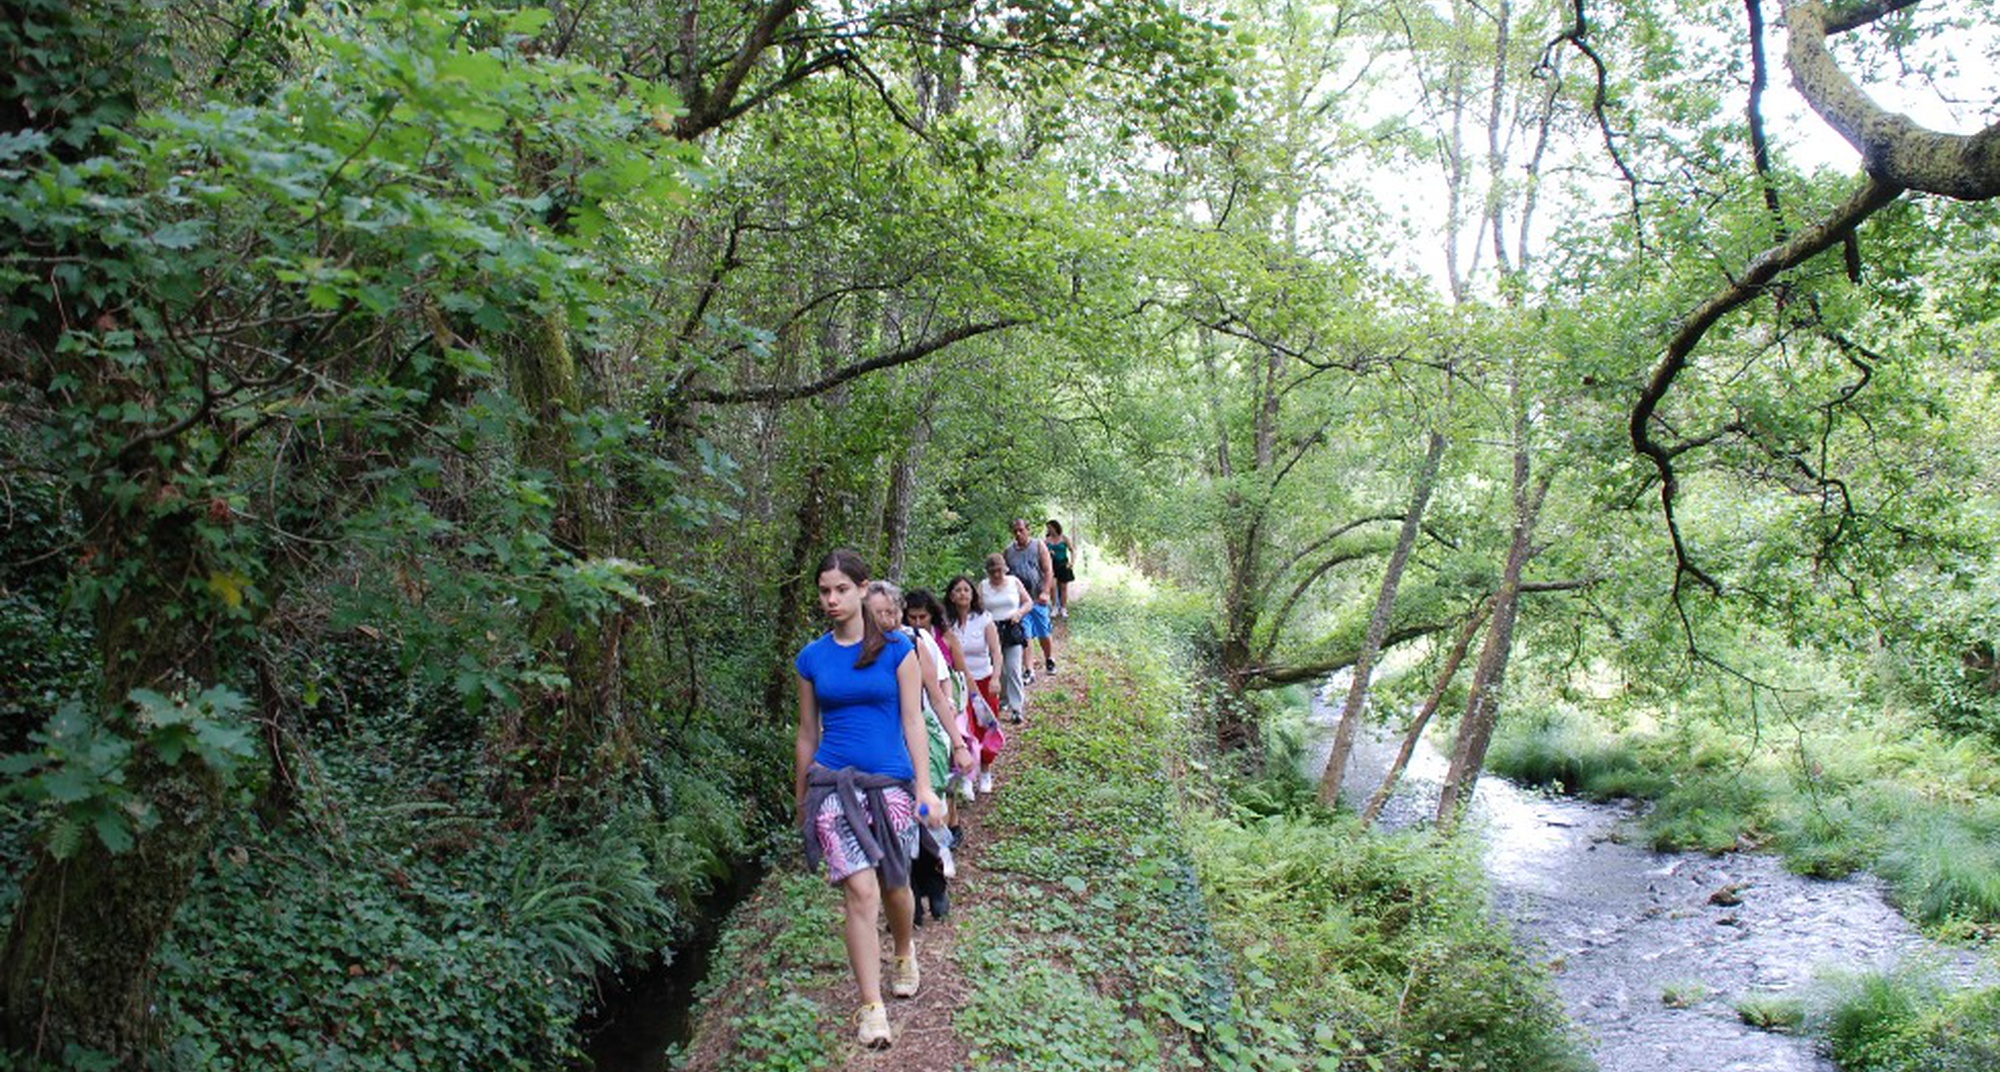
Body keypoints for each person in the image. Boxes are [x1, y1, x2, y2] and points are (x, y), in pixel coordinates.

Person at [794, 550, 945, 1049]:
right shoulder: (812, 657)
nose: (831, 599)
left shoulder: (899, 650)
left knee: (895, 884)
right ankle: (871, 1006)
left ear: (863, 589)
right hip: (834, 788)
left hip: (891, 786)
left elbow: (912, 720)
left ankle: (904, 950)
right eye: (823, 590)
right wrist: (801, 799)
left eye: (840, 589)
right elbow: (806, 733)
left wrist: (924, 786)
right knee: (860, 892)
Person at [865, 581, 973, 925]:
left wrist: (958, 743)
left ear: (900, 613)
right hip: (880, 745)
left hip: (920, 739)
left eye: (890, 612)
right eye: (877, 612)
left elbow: (938, 696)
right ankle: (909, 890)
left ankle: (934, 881)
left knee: (925, 815)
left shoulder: (915, 642)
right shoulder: (857, 647)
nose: (885, 619)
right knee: (895, 826)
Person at [943, 573, 1004, 792]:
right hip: (959, 684)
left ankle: (986, 771)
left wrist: (996, 677)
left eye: (966, 590)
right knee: (964, 728)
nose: (962, 594)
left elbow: (996, 651)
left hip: (985, 679)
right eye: (957, 590)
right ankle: (967, 776)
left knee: (986, 725)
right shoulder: (946, 623)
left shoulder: (984, 618)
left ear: (973, 594)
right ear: (951, 595)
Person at [979, 551, 1034, 723]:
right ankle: (1002, 699)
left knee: (1013, 668)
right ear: (988, 571)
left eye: (1000, 570)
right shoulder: (983, 586)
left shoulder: (1014, 582)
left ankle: (1017, 707)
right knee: (997, 669)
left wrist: (1019, 613)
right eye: (993, 571)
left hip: (1011, 627)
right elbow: (977, 608)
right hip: (991, 629)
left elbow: (1028, 602)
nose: (997, 574)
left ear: (1005, 569)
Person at [1005, 518, 1057, 677]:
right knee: (1025, 634)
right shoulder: (1008, 551)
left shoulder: (1038, 546)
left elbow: (1048, 570)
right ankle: (1029, 669)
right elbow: (1005, 574)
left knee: (1043, 632)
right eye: (1015, 531)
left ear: (1028, 530)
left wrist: (1046, 592)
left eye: (1021, 530)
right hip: (1021, 601)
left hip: (1038, 597)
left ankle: (1050, 659)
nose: (1018, 534)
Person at [1045, 519, 1075, 619]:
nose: (1049, 530)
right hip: (1051, 566)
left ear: (1055, 527)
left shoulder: (1064, 538)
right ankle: (1054, 607)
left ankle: (1063, 608)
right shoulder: (1047, 540)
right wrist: (1048, 553)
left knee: (1063, 588)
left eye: (1050, 527)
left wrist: (1071, 562)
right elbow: (1042, 553)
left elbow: (1072, 550)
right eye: (1048, 528)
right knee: (1052, 587)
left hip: (1063, 564)